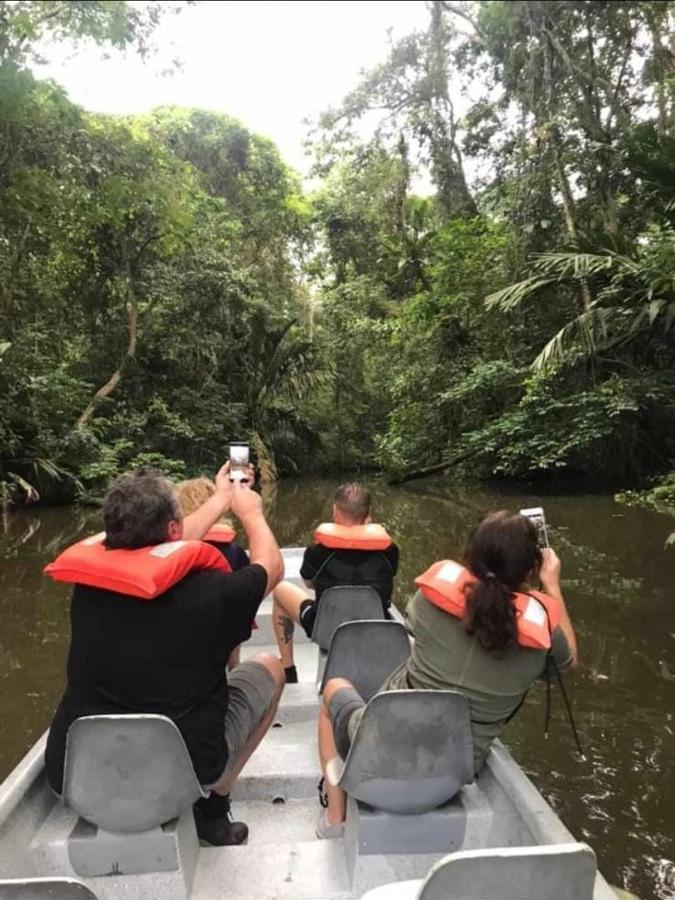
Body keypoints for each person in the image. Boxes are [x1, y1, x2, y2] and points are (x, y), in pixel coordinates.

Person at [44, 463, 284, 846]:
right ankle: (212, 810)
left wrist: (221, 498)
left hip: (76, 782)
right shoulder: (216, 594)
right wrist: (251, 512)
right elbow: (271, 566)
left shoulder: (87, 588)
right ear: (173, 530)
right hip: (181, 783)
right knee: (271, 669)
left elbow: (152, 547)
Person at [316, 510, 578, 838]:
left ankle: (334, 817)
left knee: (335, 687)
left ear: (470, 555)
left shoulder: (428, 603)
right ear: (531, 568)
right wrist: (551, 587)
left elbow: (427, 625)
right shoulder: (543, 642)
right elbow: (568, 662)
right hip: (450, 777)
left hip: (375, 759)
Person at [271, 482, 399, 683]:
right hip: (375, 630)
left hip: (327, 631)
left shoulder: (317, 552)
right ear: (369, 514)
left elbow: (309, 584)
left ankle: (288, 670)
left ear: (335, 511)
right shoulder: (390, 551)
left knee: (280, 590)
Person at [176, 476, 251, 670]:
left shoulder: (171, 552)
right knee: (237, 611)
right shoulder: (235, 552)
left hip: (188, 627)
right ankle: (234, 665)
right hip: (226, 627)